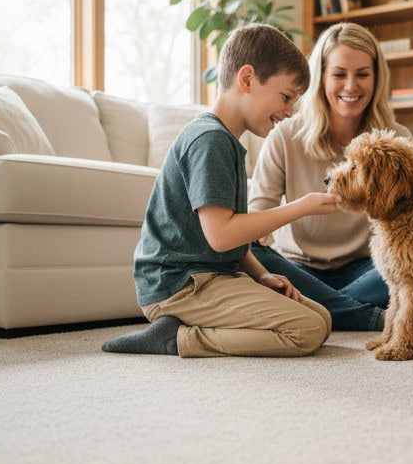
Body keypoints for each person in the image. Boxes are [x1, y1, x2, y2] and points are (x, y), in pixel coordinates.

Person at [103, 24, 340, 357]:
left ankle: (190, 329)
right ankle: (176, 338)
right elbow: (221, 235)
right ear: (246, 79)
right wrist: (300, 207)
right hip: (179, 286)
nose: (288, 112)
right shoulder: (209, 140)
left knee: (322, 318)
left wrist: (263, 275)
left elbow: (234, 242)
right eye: (286, 97)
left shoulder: (227, 142)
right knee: (307, 330)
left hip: (211, 276)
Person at [248, 22, 412, 331]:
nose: (351, 86)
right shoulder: (284, 135)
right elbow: (257, 219)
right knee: (248, 253)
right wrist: (300, 208)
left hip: (369, 268)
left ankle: (317, 309)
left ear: (377, 79)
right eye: (339, 74)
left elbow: (409, 223)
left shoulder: (395, 140)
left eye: (362, 74)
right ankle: (364, 316)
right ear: (321, 78)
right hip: (298, 268)